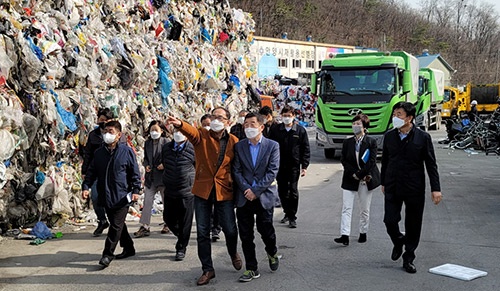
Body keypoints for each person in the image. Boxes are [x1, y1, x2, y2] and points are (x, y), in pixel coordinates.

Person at [166, 107, 242, 286]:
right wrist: (180, 124)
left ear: (228, 122)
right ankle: (207, 269)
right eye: (213, 116)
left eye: (220, 117)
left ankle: (233, 252)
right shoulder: (202, 135)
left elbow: (237, 166)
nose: (216, 120)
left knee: (230, 229)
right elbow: (191, 133)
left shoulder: (234, 141)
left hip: (224, 191)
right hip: (203, 190)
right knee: (202, 232)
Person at [381, 101, 442, 274]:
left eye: (399, 114)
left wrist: (435, 188)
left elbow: (431, 164)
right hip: (393, 185)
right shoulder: (390, 136)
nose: (395, 117)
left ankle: (409, 256)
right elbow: (385, 161)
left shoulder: (422, 138)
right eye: (394, 114)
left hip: (414, 186)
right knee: (389, 220)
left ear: (409, 118)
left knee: (413, 223)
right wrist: (384, 182)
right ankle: (398, 240)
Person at [82, 121, 142, 267]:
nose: (107, 134)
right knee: (119, 224)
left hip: (122, 195)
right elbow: (91, 172)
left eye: (111, 131)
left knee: (115, 225)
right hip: (105, 194)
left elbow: (134, 173)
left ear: (118, 135)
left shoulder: (126, 151)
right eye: (105, 131)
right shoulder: (99, 153)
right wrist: (85, 186)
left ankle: (107, 254)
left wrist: (136, 190)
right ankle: (129, 248)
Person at [233, 112, 280, 282]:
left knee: (265, 229)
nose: (248, 127)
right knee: (245, 234)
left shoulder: (272, 146)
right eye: (246, 124)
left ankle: (272, 251)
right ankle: (251, 268)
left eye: (252, 124)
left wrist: (256, 190)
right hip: (244, 197)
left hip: (263, 196)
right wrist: (247, 189)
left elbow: (272, 171)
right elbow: (236, 171)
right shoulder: (239, 146)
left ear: (261, 126)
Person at [334, 114, 380, 246]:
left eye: (358, 123)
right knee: (346, 208)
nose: (355, 126)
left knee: (364, 209)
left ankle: (363, 231)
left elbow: (371, 162)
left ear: (364, 126)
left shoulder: (371, 142)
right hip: (350, 178)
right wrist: (353, 173)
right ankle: (344, 234)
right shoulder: (347, 142)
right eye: (354, 123)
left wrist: (360, 174)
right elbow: (344, 160)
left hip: (366, 178)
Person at [269, 105, 310, 228]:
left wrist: (305, 166)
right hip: (279, 165)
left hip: (294, 165)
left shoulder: (300, 130)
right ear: (281, 116)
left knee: (293, 191)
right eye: (285, 116)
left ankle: (292, 216)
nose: (287, 118)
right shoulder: (276, 130)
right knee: (282, 191)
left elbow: (305, 148)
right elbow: (270, 147)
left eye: (289, 116)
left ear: (294, 116)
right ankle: (287, 212)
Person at [161, 128, 196, 261]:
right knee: (168, 218)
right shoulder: (166, 148)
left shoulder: (193, 148)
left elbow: (197, 166)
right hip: (170, 189)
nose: (178, 134)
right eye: (175, 131)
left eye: (181, 131)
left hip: (187, 190)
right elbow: (165, 163)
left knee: (185, 221)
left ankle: (181, 247)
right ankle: (181, 235)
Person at [81, 108, 114, 237]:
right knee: (95, 197)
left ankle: (114, 222)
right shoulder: (93, 135)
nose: (103, 122)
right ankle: (102, 220)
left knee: (110, 198)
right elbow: (88, 154)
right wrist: (85, 171)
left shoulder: (115, 134)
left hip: (111, 172)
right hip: (96, 171)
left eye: (106, 120)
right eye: (101, 120)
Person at [134, 121, 169, 238]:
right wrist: (146, 165)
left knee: (167, 203)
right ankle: (145, 226)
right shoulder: (148, 143)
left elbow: (172, 157)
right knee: (147, 202)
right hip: (151, 178)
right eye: (151, 130)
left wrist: (165, 164)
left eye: (156, 130)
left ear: (162, 131)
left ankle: (168, 224)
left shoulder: (167, 142)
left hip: (163, 178)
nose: (153, 132)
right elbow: (146, 158)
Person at [200, 114, 222, 242]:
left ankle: (216, 229)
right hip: (204, 180)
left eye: (209, 124)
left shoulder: (223, 139)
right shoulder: (199, 141)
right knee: (207, 208)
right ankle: (207, 228)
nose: (207, 127)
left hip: (218, 180)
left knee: (217, 207)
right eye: (204, 125)